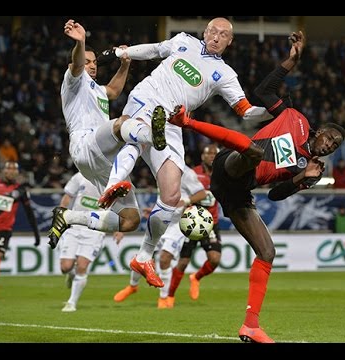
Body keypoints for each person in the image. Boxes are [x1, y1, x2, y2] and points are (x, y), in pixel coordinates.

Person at [168, 31, 345, 343]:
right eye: (329, 138)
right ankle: (187, 123)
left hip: (239, 190)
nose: (330, 145)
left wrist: (299, 180)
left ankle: (250, 324)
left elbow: (276, 195)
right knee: (253, 151)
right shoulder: (295, 118)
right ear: (319, 132)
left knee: (267, 251)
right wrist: (290, 63)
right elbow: (263, 91)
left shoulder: (313, 171)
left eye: (335, 145)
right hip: (230, 163)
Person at [94, 17, 273, 288]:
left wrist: (273, 110)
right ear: (205, 31)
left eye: (222, 34)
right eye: (213, 30)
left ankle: (143, 256)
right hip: (148, 98)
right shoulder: (183, 42)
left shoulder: (225, 74)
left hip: (173, 122)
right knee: (139, 137)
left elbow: (246, 111)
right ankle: (113, 183)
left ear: (229, 41)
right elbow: (154, 50)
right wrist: (121, 52)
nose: (216, 36)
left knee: (171, 195)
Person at [48, 20, 164, 288]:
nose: (92, 65)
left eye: (94, 62)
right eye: (87, 62)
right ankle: (152, 136)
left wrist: (124, 64)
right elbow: (77, 64)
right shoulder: (73, 82)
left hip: (100, 161)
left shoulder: (97, 90)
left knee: (130, 221)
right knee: (123, 123)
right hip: (85, 144)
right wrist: (80, 43)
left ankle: (69, 217)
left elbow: (112, 91)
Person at [113, 165, 207, 308]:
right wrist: (153, 210)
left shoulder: (186, 173)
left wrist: (186, 201)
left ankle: (164, 298)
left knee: (164, 259)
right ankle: (133, 286)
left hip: (177, 225)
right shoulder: (162, 169)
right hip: (161, 219)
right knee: (142, 257)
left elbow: (202, 194)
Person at [0, 161, 41, 303]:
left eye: (14, 169)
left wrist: (36, 233)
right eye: (8, 169)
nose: (11, 171)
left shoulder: (21, 190)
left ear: (17, 173)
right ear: (3, 171)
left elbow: (29, 213)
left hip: (3, 231)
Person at [57, 172, 124, 312]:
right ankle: (70, 274)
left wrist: (119, 229)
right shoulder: (79, 176)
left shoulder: (112, 180)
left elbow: (120, 206)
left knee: (82, 266)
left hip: (95, 230)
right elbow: (67, 197)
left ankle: (71, 302)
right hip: (74, 226)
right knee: (65, 267)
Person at [168, 144, 222, 304]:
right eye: (208, 153)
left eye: (214, 153)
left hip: (210, 223)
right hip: (190, 222)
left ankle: (196, 277)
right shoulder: (192, 174)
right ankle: (169, 295)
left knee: (215, 259)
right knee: (183, 262)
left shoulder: (222, 175)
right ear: (202, 157)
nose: (211, 156)